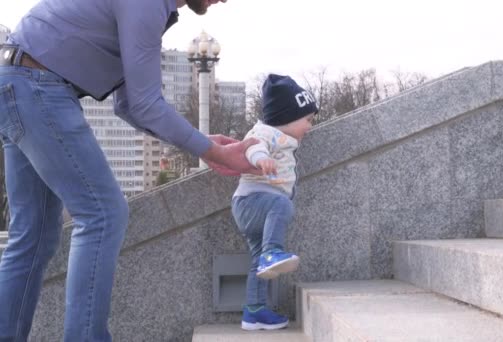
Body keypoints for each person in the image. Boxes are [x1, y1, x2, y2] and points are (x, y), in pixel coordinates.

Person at [0, 0, 261, 341]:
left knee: (33, 235)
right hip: (36, 86)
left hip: (15, 81)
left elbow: (129, 104)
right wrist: (216, 153)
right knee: (103, 214)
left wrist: (201, 143)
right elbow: (145, 104)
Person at [231, 74, 318, 331]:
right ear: (286, 118)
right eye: (308, 120)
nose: (310, 127)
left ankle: (254, 311)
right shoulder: (265, 132)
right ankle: (272, 253)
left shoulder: (285, 139)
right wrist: (260, 159)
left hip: (255, 208)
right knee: (282, 205)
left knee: (256, 261)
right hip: (253, 202)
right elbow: (251, 147)